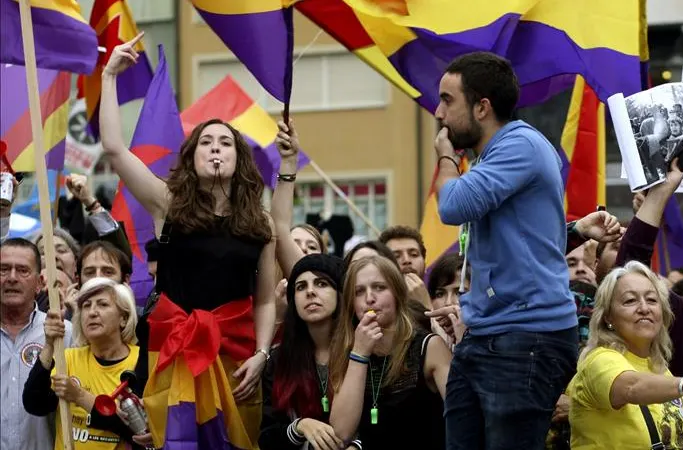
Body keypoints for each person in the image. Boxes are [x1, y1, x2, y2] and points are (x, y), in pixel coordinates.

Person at [100, 33, 276, 449]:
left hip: (237, 354)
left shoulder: (262, 223)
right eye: (206, 142)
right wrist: (109, 76)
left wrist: (263, 354)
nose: (216, 149)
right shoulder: (168, 202)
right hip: (173, 350)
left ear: (239, 159)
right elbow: (114, 148)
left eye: (225, 142)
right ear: (192, 157)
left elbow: (266, 299)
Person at [431, 51, 602, 448]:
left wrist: (444, 155)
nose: (439, 113)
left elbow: (452, 205)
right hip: (488, 333)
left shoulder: (519, 146)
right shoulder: (493, 156)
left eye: (447, 99)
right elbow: (531, 239)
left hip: (524, 337)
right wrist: (575, 229)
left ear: (482, 107)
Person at [567, 261, 683, 449]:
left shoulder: (662, 370)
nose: (644, 308)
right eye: (630, 300)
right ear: (608, 317)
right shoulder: (599, 360)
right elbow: (632, 387)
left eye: (652, 300)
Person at [329, 256, 451, 450]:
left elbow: (462, 417)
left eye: (379, 287)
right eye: (359, 291)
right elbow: (341, 432)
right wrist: (359, 354)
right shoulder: (347, 350)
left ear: (396, 293)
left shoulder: (429, 346)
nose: (370, 298)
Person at [23, 278, 145, 450]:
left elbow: (140, 434)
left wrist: (79, 395)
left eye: (103, 305)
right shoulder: (68, 358)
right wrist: (49, 345)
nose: (92, 312)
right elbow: (35, 404)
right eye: (86, 306)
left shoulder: (141, 362)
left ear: (124, 319)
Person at [260, 254, 361, 450]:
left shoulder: (363, 350)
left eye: (322, 283)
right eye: (301, 287)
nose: (310, 292)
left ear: (340, 293)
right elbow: (265, 436)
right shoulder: (279, 359)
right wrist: (299, 426)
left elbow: (383, 425)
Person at [1, 238, 73, 450]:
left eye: (22, 270)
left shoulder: (64, 333)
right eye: (3, 269)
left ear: (40, 282)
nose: (11, 278)